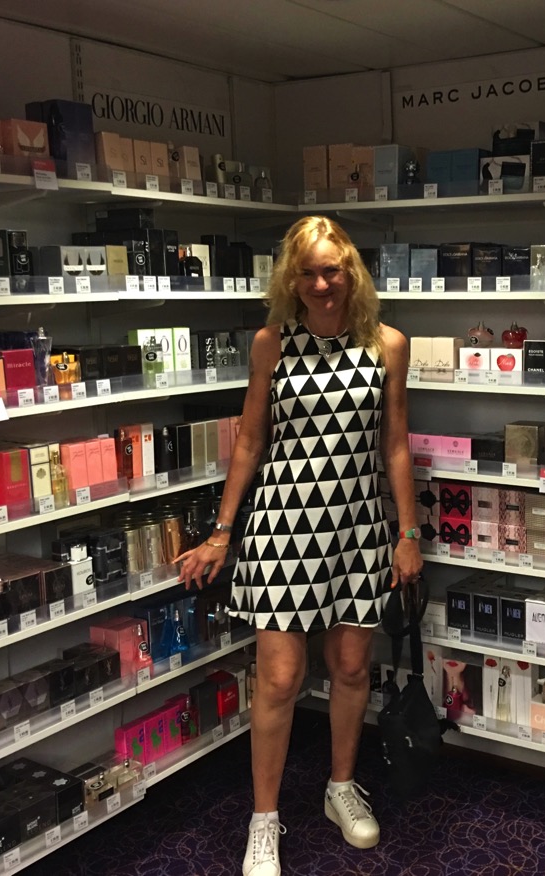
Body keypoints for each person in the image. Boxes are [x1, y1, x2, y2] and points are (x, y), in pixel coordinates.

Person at [177, 216, 423, 876]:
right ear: (291, 279)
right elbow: (250, 442)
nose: (321, 284)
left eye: (331, 270)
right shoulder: (271, 344)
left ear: (351, 272)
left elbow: (395, 446)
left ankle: (340, 786)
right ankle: (264, 820)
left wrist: (407, 534)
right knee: (281, 679)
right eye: (307, 273)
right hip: (283, 526)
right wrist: (222, 531)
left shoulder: (388, 345)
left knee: (350, 669)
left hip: (358, 529)